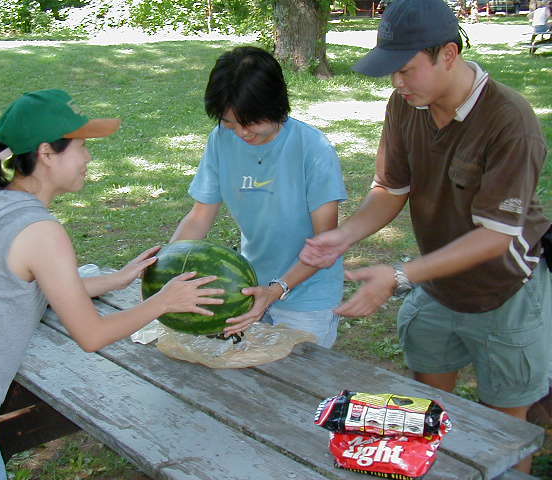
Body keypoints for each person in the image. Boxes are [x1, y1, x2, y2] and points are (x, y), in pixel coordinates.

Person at [0, 89, 224, 479]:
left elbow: (19, 282)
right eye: (81, 146)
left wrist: (118, 278)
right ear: (46, 152)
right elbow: (91, 335)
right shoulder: (40, 229)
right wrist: (162, 301)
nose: (89, 157)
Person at [299, 0, 550, 472]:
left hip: (507, 291)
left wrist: (398, 276)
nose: (397, 81)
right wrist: (345, 235)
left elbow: (496, 237)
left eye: (406, 69)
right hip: (437, 283)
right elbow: (391, 189)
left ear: (449, 54)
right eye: (392, 70)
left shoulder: (510, 120)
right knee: (423, 414)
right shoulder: (405, 105)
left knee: (507, 433)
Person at [171, 46, 348, 348]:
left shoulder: (313, 148)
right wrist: (167, 264)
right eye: (229, 122)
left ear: (276, 106)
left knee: (299, 385)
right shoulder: (220, 140)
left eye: (250, 121)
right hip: (249, 286)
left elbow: (325, 243)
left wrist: (277, 289)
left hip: (307, 294)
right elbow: (200, 216)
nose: (241, 133)